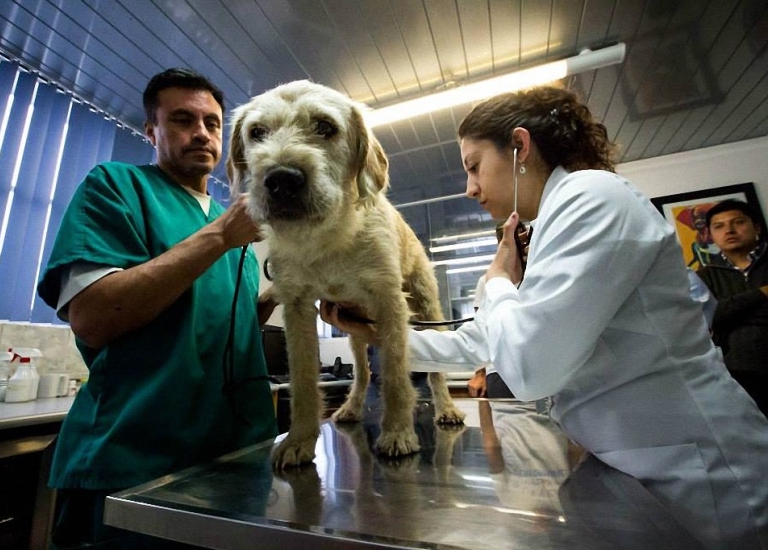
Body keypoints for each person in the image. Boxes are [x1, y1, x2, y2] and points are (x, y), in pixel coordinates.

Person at [322, 86, 768, 548]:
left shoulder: (592, 197)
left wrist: (498, 281)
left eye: (474, 166)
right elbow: (483, 341)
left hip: (705, 471)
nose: (469, 187)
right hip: (643, 459)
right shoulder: (548, 224)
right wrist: (380, 334)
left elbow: (531, 368)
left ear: (519, 147)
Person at [36, 68, 277, 549]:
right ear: (151, 130)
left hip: (231, 459)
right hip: (135, 461)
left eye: (212, 122)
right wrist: (219, 237)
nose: (202, 133)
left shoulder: (233, 226)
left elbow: (224, 322)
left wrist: (285, 293)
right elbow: (93, 316)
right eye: (182, 120)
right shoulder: (116, 186)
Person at [697, 199, 768, 415]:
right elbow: (710, 317)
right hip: (737, 371)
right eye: (719, 226)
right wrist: (762, 293)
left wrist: (733, 311)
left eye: (738, 222)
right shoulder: (705, 275)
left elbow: (723, 312)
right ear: (711, 235)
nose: (729, 230)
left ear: (756, 227)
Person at [467, 273, 514, 399]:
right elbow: (481, 331)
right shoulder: (488, 280)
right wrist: (480, 373)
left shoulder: (540, 274)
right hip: (499, 371)